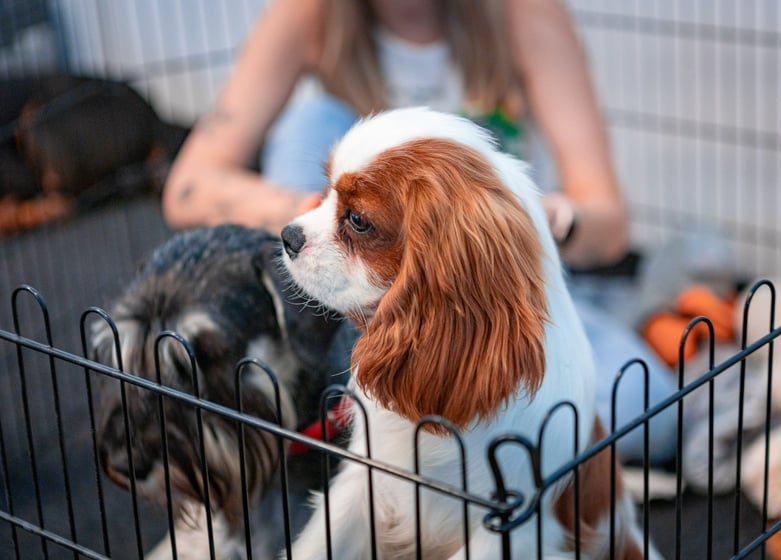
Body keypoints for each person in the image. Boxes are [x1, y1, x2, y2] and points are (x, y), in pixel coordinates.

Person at [162, 0, 678, 464]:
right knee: (311, 120)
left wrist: (540, 222)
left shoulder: (525, 13)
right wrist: (322, 211)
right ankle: (381, 400)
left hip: (484, 298)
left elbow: (610, 223)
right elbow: (188, 187)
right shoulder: (309, 14)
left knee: (646, 404)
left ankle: (437, 431)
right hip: (358, 299)